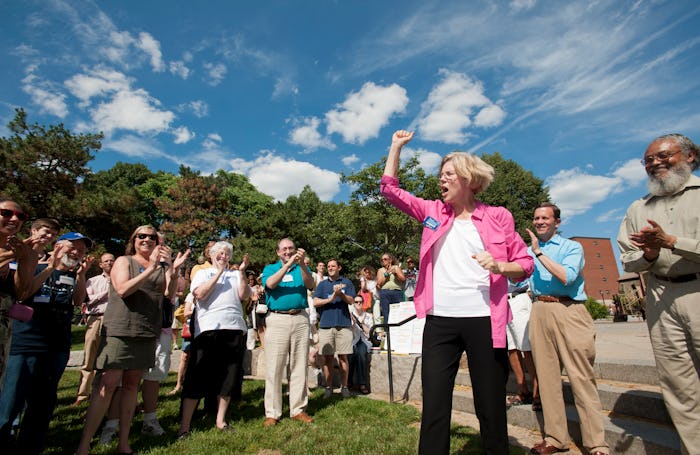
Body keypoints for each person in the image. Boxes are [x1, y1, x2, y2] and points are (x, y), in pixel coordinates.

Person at [380, 130, 534, 455]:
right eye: (441, 175)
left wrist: (500, 266)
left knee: (490, 408)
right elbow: (389, 190)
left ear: (468, 178)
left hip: (484, 322)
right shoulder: (433, 212)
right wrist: (395, 147)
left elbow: (524, 263)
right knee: (435, 406)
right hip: (440, 323)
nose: (441, 180)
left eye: (448, 174)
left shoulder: (498, 217)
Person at [617, 133, 699, 455]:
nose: (655, 163)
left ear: (690, 156)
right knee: (680, 388)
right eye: (648, 160)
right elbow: (627, 257)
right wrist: (649, 254)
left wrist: (673, 242)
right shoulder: (638, 208)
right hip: (660, 295)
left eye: (663, 156)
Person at [76, 225, 188, 455]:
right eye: (142, 236)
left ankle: (123, 444)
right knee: (107, 385)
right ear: (133, 240)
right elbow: (124, 289)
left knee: (131, 386)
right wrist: (152, 268)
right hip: (121, 328)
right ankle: (84, 444)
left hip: (147, 331)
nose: (147, 239)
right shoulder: (124, 261)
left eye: (152, 237)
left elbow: (168, 295)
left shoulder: (161, 265)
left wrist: (173, 270)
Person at [526, 203, 609, 455]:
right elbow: (516, 277)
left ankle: (596, 444)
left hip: (569, 310)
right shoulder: (528, 251)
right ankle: (555, 438)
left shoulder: (571, 247)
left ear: (557, 222)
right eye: (536, 218)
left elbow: (567, 277)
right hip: (539, 310)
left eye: (545, 218)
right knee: (548, 379)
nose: (540, 222)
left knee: (581, 377)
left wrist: (539, 254)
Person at [0, 232, 93, 455]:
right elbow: (24, 293)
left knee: (43, 403)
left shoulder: (73, 276)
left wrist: (81, 276)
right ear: (58, 246)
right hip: (26, 344)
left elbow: (78, 302)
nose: (77, 253)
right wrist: (50, 267)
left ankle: (31, 447)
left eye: (81, 250)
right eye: (73, 247)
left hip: (56, 347)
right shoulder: (36, 268)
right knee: (11, 400)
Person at [177, 241, 250, 438]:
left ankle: (220, 420)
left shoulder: (235, 275)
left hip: (234, 328)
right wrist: (218, 272)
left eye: (227, 254)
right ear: (211, 255)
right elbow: (200, 294)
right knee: (197, 376)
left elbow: (244, 295)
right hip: (208, 329)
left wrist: (242, 272)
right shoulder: (202, 273)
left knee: (228, 376)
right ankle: (184, 426)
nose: (223, 256)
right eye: (219, 253)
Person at [261, 238, 314, 427]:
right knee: (274, 367)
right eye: (284, 249)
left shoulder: (301, 268)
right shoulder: (270, 268)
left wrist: (301, 265)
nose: (288, 251)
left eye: (291, 248)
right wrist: (287, 265)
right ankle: (272, 412)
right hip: (277, 319)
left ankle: (298, 409)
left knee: (299, 365)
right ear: (278, 252)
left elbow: (310, 285)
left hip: (300, 318)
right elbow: (271, 284)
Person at [0, 200, 38, 390]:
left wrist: (24, 259)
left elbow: (21, 292)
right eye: (6, 213)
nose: (14, 218)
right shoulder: (13, 252)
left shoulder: (25, 251)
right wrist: (9, 256)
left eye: (21, 216)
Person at [73, 253, 116, 406]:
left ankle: (106, 392)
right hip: (96, 318)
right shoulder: (93, 281)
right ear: (101, 264)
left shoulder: (121, 280)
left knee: (111, 359)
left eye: (112, 260)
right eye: (106, 261)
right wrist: (108, 291)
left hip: (114, 320)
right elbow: (87, 301)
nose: (110, 263)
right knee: (90, 356)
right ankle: (83, 395)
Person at [313, 258, 355, 398]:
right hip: (326, 325)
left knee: (343, 357)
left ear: (339, 268)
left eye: (333, 266)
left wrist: (341, 294)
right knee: (328, 358)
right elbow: (315, 302)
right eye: (328, 266)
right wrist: (330, 299)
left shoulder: (347, 282)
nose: (330, 268)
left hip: (343, 325)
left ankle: (344, 387)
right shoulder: (322, 284)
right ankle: (329, 387)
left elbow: (351, 300)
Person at [504, 281, 539, 410]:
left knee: (527, 348)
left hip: (518, 298)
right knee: (511, 348)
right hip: (501, 300)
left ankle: (538, 393)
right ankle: (523, 390)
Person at [349, 296, 374, 394]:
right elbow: (348, 333)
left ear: (363, 303)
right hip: (352, 341)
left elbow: (370, 333)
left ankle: (362, 384)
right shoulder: (350, 316)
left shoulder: (368, 316)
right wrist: (353, 324)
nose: (358, 304)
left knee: (362, 354)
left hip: (364, 341)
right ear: (353, 304)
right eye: (356, 302)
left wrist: (362, 324)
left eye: (360, 302)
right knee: (350, 356)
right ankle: (348, 382)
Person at [376, 253, 405, 323]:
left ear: (390, 260)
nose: (383, 261)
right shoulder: (380, 270)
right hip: (385, 293)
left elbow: (403, 279)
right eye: (382, 260)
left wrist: (396, 274)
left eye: (385, 259)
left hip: (396, 292)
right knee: (386, 313)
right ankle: (388, 331)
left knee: (398, 313)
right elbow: (379, 283)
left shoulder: (396, 267)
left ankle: (399, 330)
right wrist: (387, 273)